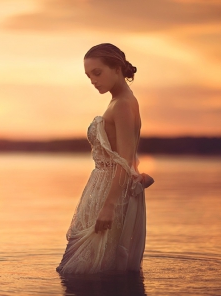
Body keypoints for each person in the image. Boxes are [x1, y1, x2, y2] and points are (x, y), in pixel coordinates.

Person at [56, 43, 154, 274]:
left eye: (97, 73)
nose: (93, 80)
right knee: (90, 263)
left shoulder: (122, 104)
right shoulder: (120, 101)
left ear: (117, 68)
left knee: (90, 266)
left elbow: (124, 158)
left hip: (110, 190)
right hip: (104, 186)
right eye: (89, 76)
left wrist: (108, 206)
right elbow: (128, 157)